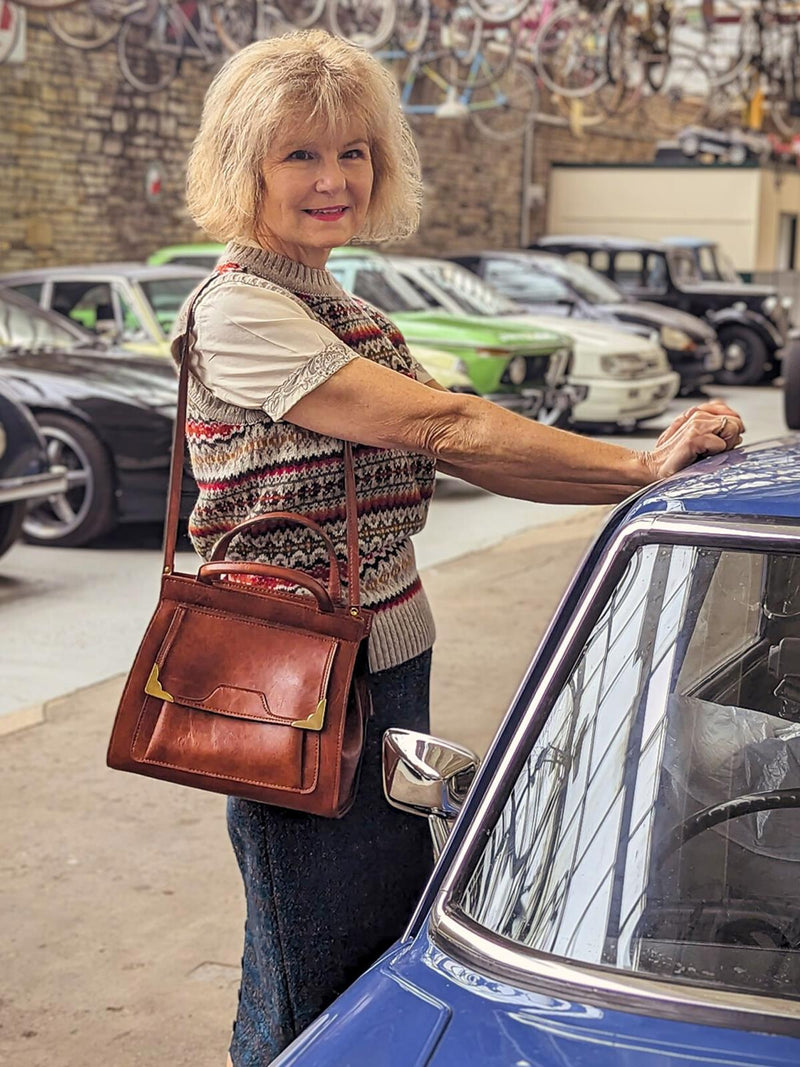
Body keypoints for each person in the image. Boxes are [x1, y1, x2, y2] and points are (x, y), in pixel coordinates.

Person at [175, 29, 744, 1067]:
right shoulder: (245, 310)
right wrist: (636, 471)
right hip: (299, 683)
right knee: (318, 966)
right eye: (299, 153)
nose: (333, 177)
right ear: (241, 165)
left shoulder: (328, 299)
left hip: (373, 664)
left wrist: (641, 471)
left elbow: (468, 444)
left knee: (363, 932)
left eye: (352, 150)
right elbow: (442, 429)